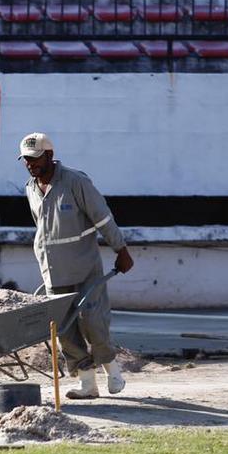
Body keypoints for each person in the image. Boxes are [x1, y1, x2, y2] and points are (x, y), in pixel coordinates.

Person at [20, 132, 134, 399]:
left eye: (35, 158)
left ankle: (113, 372)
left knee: (93, 321)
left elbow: (103, 218)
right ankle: (87, 383)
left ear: (49, 155)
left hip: (84, 267)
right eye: (26, 160)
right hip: (53, 272)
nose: (30, 164)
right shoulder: (30, 188)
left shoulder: (75, 182)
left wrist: (121, 249)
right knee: (64, 330)